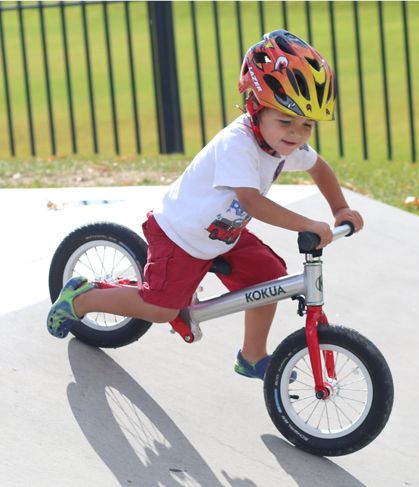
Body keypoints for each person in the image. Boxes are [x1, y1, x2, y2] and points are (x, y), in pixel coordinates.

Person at [47, 30, 363, 380]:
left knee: (268, 278)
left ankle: (252, 356)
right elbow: (252, 203)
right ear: (254, 108)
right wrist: (307, 224)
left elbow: (319, 167)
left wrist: (340, 210)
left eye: (307, 125)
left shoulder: (281, 144)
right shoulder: (238, 145)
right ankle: (82, 298)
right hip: (180, 234)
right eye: (286, 121)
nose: (297, 134)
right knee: (161, 309)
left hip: (222, 234)